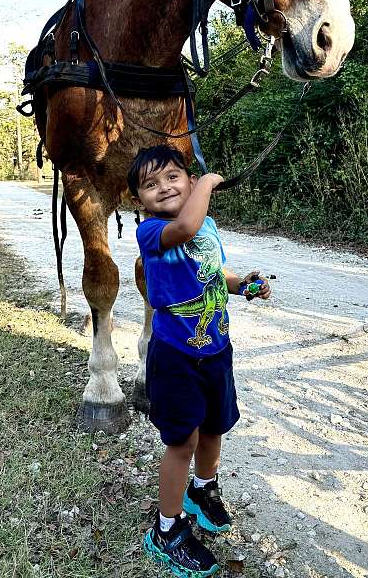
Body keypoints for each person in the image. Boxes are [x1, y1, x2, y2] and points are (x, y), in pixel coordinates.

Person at [127, 144, 271, 578]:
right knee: (182, 442)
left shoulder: (206, 224)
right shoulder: (151, 233)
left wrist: (243, 284)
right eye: (150, 185)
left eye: (173, 177)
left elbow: (216, 272)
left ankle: (202, 490)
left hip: (216, 350)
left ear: (186, 181)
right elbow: (185, 227)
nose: (164, 188)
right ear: (139, 202)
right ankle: (167, 528)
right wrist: (208, 182)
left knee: (214, 428)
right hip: (176, 357)